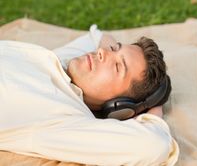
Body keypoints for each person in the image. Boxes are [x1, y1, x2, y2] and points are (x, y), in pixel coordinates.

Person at [0, 24, 179, 166]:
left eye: (117, 66)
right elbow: (96, 36)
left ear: (119, 106)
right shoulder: (63, 61)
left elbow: (153, 145)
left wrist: (153, 105)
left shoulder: (64, 118)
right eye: (113, 49)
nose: (102, 52)